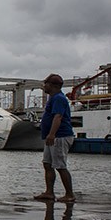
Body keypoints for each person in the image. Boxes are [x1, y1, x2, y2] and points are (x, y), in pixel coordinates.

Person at [34, 73, 75, 203]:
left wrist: (52, 134)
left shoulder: (59, 98)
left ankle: (69, 194)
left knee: (60, 166)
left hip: (60, 136)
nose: (44, 86)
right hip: (52, 137)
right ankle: (49, 192)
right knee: (47, 164)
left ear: (52, 85)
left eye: (45, 83)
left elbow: (58, 117)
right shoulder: (53, 98)